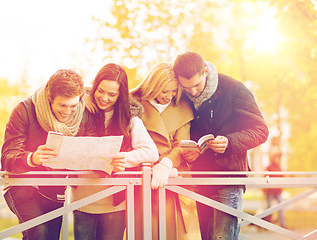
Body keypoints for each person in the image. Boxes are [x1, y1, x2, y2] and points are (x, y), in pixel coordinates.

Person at [173, 52, 269, 240]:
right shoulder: (180, 95)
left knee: (223, 237)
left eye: (196, 85)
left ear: (206, 72)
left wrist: (230, 141)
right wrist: (190, 154)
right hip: (200, 179)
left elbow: (261, 130)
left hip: (229, 179)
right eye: (186, 87)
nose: (192, 92)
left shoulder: (234, 89)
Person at [71, 63, 159, 240]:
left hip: (115, 203)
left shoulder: (129, 118)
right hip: (82, 200)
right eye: (100, 91)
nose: (104, 98)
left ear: (120, 95)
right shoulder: (79, 109)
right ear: (94, 87)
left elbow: (151, 152)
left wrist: (125, 158)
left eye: (112, 94)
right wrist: (82, 97)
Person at [0, 69, 85, 240]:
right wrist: (32, 158)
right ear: (49, 95)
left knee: (51, 238)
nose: (68, 112)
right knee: (38, 233)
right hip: (23, 187)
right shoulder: (23, 109)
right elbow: (7, 157)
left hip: (55, 190)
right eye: (62, 105)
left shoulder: (81, 114)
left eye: (73, 106)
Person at [131, 62, 200, 239]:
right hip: (144, 176)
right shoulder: (133, 104)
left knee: (178, 230)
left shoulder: (183, 107)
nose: (169, 96)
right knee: (148, 230)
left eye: (174, 91)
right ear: (152, 86)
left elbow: (181, 145)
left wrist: (166, 164)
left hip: (175, 174)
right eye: (164, 91)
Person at [263, 136, 285, 227]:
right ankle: (267, 224)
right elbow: (265, 177)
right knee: (269, 208)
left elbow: (282, 177)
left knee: (281, 206)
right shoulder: (269, 167)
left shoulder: (279, 167)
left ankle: (283, 224)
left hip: (278, 190)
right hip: (270, 190)